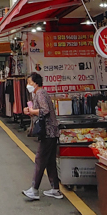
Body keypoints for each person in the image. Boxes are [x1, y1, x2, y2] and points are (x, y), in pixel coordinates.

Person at [22, 72, 62, 200]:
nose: (28, 85)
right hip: (50, 132)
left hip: (48, 131)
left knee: (40, 159)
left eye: (30, 83)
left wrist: (32, 111)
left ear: (36, 83)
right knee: (49, 161)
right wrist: (30, 111)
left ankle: (34, 190)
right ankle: (55, 189)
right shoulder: (39, 93)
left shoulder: (40, 93)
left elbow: (45, 110)